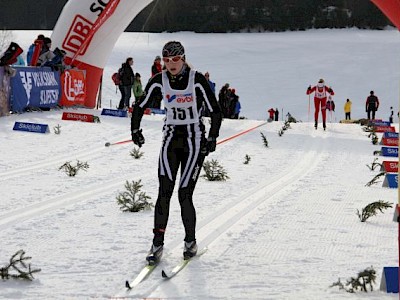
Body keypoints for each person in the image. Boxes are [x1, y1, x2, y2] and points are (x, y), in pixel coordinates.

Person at [131, 41, 222, 264]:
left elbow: (215, 110)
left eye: (175, 60)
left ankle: (190, 241)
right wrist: (135, 129)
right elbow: (140, 105)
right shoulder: (159, 80)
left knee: (184, 194)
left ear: (183, 58)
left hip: (194, 140)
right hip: (171, 139)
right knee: (164, 191)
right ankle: (157, 244)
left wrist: (212, 137)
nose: (171, 64)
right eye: (167, 60)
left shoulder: (196, 79)